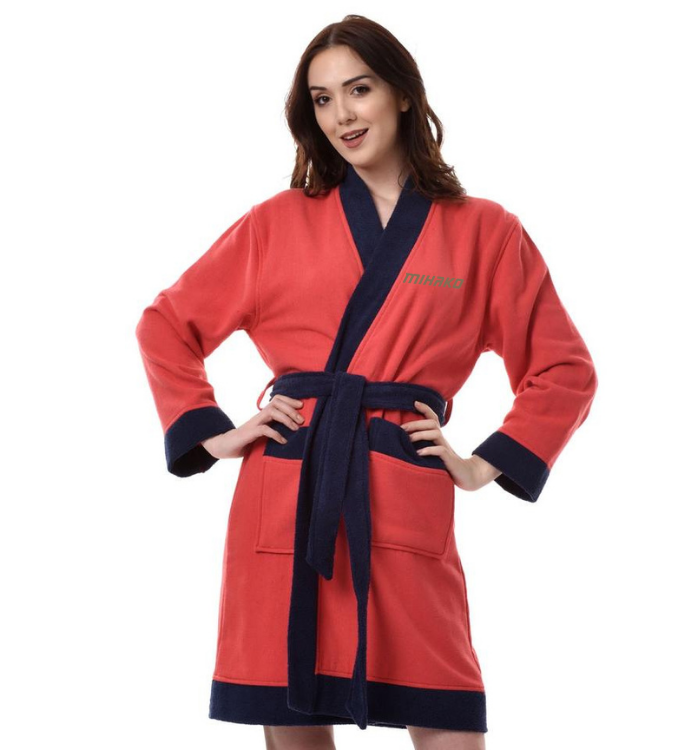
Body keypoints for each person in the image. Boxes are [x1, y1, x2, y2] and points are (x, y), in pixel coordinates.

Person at [135, 14, 597, 750]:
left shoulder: (485, 232)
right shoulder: (275, 223)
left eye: (359, 89)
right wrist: (213, 433)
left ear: (403, 94)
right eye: (322, 99)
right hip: (290, 488)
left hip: (402, 491)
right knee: (293, 705)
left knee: (446, 718)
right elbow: (166, 325)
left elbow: (563, 368)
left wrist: (484, 463)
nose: (342, 115)